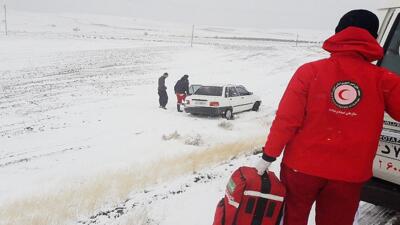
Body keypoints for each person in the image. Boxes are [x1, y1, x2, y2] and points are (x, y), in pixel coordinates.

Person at [255, 9, 400, 225]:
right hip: (349, 174)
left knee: (292, 219)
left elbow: (287, 120)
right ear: (374, 37)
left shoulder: (310, 72)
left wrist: (268, 156)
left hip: (300, 168)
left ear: (338, 33)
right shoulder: (385, 80)